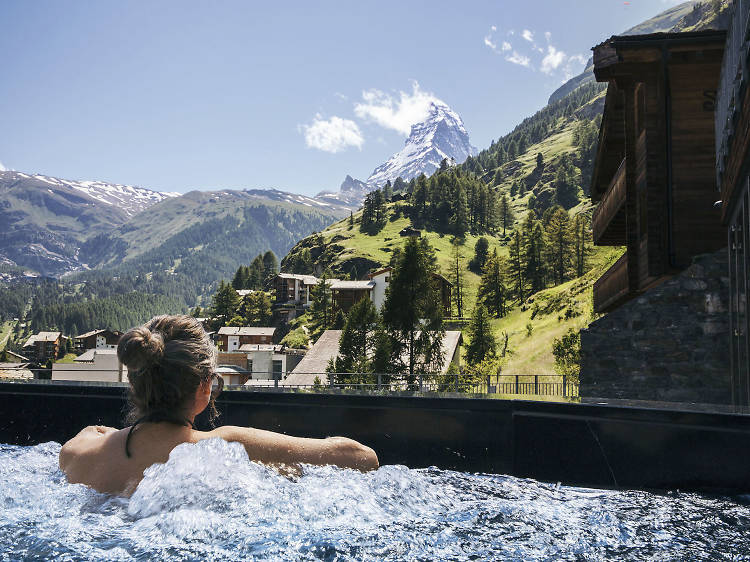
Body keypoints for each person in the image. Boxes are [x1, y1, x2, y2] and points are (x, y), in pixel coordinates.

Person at [59, 315, 378, 496]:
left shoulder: (77, 454)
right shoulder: (226, 448)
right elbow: (361, 458)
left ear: (133, 383)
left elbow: (87, 433)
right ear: (205, 387)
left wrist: (107, 435)